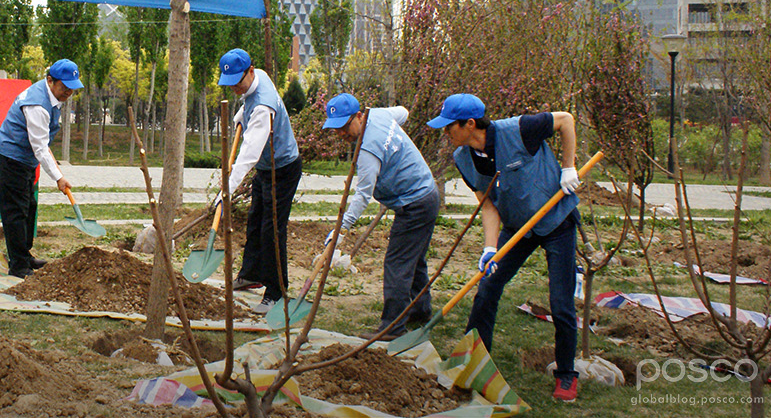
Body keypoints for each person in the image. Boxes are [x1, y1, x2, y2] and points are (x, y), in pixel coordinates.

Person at [427, 93, 581, 402]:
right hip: (517, 229)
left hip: (556, 222)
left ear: (470, 124)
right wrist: (489, 248)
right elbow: (487, 203)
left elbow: (565, 120)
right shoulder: (464, 158)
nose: (445, 133)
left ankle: (566, 374)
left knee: (561, 304)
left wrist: (568, 167)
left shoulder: (520, 129)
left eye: (449, 127)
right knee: (487, 287)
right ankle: (472, 365)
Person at [320, 93, 438, 340]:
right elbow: (404, 112)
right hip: (426, 193)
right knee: (414, 259)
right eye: (336, 129)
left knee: (397, 264)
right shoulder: (381, 115)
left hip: (415, 202)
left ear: (359, 116)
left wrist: (342, 229)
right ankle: (421, 309)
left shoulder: (367, 151)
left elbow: (363, 195)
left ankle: (392, 327)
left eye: (344, 126)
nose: (341, 134)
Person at [216, 48, 301, 314]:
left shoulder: (264, 107)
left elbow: (249, 152)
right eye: (229, 84)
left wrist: (227, 188)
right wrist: (243, 112)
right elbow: (249, 100)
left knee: (272, 231)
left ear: (250, 71)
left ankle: (276, 292)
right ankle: (251, 274)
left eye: (237, 83)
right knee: (255, 222)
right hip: (267, 168)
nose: (235, 89)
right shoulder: (259, 77)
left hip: (283, 169)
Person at [0, 59, 83, 278]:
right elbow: (40, 147)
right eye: (65, 87)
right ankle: (18, 266)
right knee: (15, 212)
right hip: (11, 158)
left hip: (25, 160)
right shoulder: (37, 105)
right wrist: (59, 178)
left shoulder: (52, 97)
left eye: (73, 88)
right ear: (50, 81)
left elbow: (42, 142)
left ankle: (24, 255)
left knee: (29, 207)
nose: (69, 92)